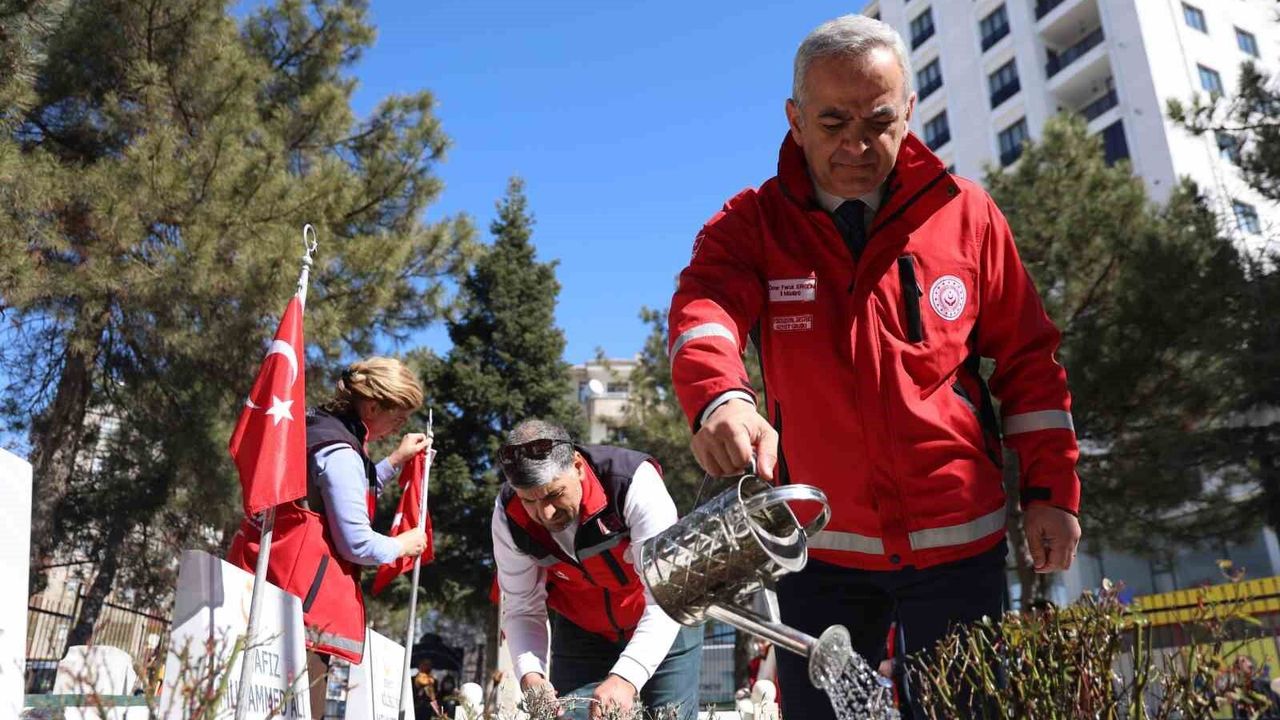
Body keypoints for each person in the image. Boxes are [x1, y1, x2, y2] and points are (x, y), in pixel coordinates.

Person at [667, 14, 1081, 718]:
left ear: (909, 111)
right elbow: (704, 313)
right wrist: (721, 399)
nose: (857, 145)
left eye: (879, 121)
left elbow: (1029, 362)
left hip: (961, 542)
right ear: (795, 120)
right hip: (821, 553)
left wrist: (1052, 490)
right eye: (833, 123)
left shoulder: (968, 214)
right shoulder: (752, 226)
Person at [228, 356, 432, 717]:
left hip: (267, 586)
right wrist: (403, 544)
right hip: (300, 614)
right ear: (372, 406)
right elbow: (357, 542)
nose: (400, 425)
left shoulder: (317, 426)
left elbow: (335, 495)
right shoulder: (341, 451)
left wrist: (395, 460)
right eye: (398, 417)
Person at [491, 419, 703, 720]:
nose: (545, 513)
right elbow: (522, 607)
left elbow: (667, 597)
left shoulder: (633, 483)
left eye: (554, 494)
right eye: (529, 500)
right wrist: (531, 674)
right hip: (582, 631)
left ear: (577, 466)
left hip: (664, 616)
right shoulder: (508, 514)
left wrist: (627, 676)